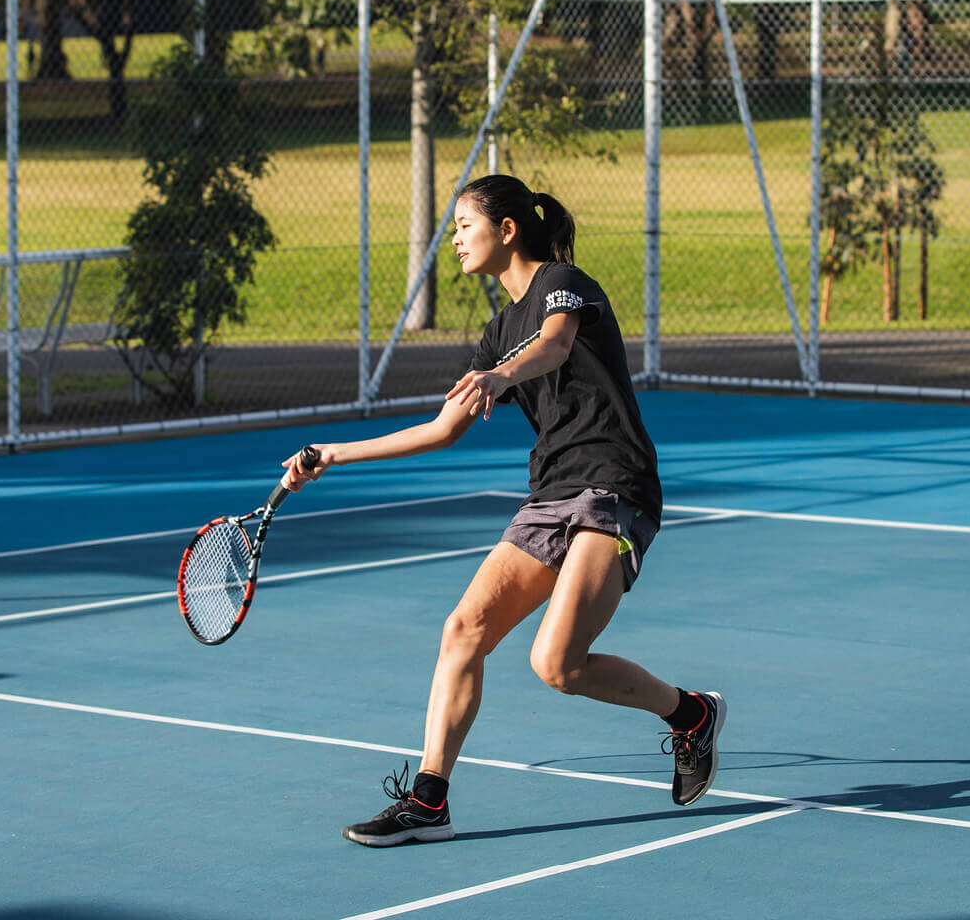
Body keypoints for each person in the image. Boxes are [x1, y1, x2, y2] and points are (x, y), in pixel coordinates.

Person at [282, 174, 725, 847]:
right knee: (463, 628)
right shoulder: (496, 332)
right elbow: (440, 429)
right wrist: (334, 454)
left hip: (614, 487)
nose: (454, 238)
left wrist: (501, 376)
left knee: (557, 665)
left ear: (507, 229)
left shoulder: (561, 282)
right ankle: (429, 800)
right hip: (550, 494)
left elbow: (554, 343)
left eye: (464, 224)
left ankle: (689, 714)